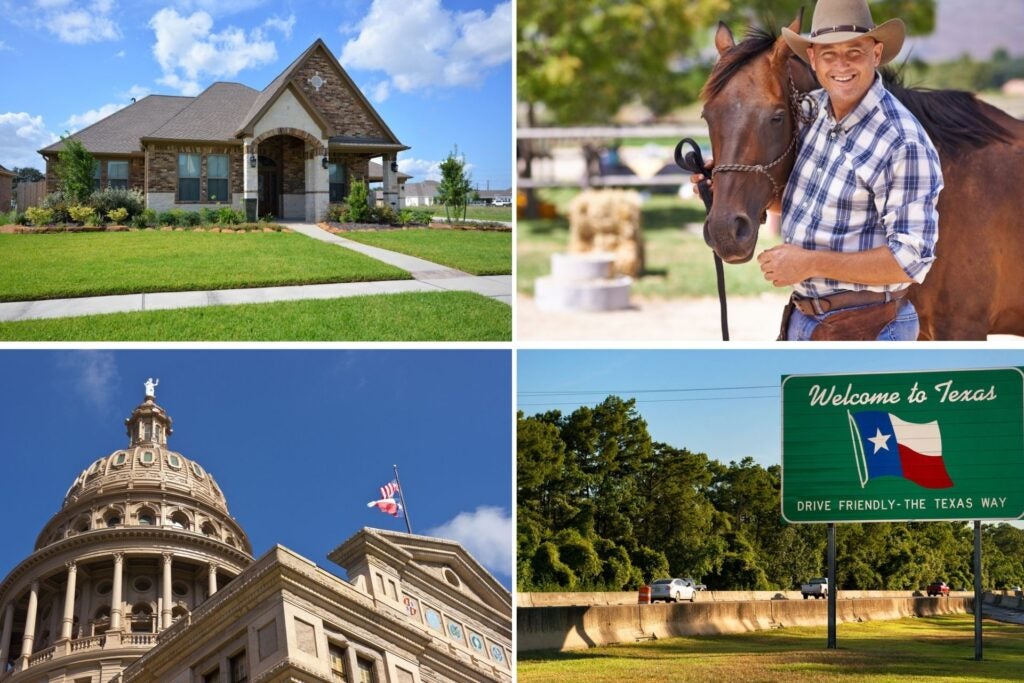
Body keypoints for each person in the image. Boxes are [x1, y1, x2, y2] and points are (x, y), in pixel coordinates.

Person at [694, 0, 943, 340]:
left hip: (869, 327)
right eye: (828, 54)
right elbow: (809, 204)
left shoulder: (902, 142)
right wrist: (726, 186)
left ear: (876, 53)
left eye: (854, 51)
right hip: (806, 318)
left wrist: (809, 263)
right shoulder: (816, 114)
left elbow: (911, 260)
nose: (841, 65)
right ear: (812, 59)